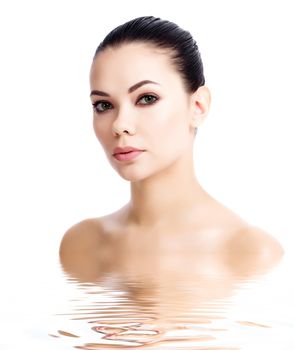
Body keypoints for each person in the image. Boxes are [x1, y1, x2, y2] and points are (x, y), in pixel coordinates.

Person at [59, 16, 283, 282]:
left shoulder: (252, 254)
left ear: (198, 106)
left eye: (147, 98)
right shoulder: (81, 246)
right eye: (103, 105)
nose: (120, 125)